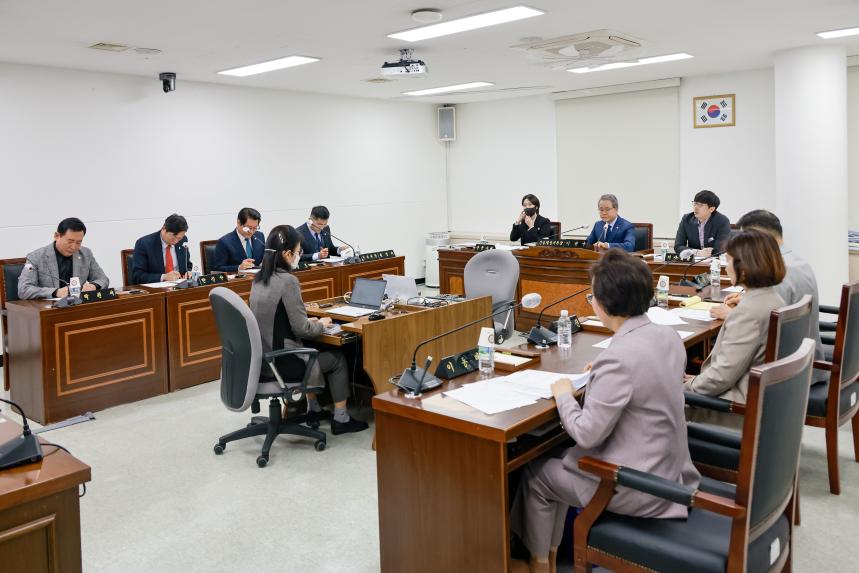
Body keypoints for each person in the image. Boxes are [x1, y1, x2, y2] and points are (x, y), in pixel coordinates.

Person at [510, 249, 699, 573]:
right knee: (556, 458)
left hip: (634, 484)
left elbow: (586, 433)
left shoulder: (619, 358)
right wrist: (603, 369)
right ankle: (550, 559)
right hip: (670, 469)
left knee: (536, 475)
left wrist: (564, 396)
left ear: (603, 303)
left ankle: (540, 564)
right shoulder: (667, 336)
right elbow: (645, 373)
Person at [249, 225, 368, 435]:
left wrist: (309, 320)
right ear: (287, 254)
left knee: (313, 347)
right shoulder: (288, 281)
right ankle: (341, 419)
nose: (299, 256)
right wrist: (321, 324)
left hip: (263, 359)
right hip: (284, 363)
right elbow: (302, 330)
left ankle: (314, 409)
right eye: (298, 252)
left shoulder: (259, 279)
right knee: (338, 358)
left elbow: (277, 319)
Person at [684, 229, 786, 429]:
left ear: (745, 268)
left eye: (728, 261)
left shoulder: (747, 313)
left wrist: (685, 387)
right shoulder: (775, 299)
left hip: (734, 408)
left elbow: (720, 379)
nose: (725, 267)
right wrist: (698, 379)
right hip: (757, 398)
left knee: (655, 403)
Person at [710, 210, 825, 364]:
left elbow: (766, 325)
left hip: (784, 364)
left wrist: (731, 314)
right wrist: (747, 300)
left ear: (760, 238)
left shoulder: (776, 269)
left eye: (747, 238)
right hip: (804, 357)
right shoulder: (797, 261)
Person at [18, 217, 109, 299]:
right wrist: (56, 292)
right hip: (50, 309)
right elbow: (24, 290)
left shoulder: (86, 254)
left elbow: (103, 279)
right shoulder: (36, 257)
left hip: (78, 306)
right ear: (57, 236)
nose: (73, 247)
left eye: (78, 242)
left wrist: (94, 285)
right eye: (70, 241)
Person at [132, 214, 193, 284]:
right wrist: (163, 277)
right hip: (156, 288)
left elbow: (187, 265)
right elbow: (138, 276)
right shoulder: (144, 244)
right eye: (173, 238)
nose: (176, 241)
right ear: (164, 229)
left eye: (179, 238)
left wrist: (188, 272)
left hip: (179, 286)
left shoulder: (183, 240)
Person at [673, 189, 732, 256]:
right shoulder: (687, 219)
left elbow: (720, 249)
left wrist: (707, 253)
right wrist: (697, 252)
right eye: (695, 203)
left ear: (711, 209)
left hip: (714, 260)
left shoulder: (722, 221)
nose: (695, 207)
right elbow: (678, 246)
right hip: (694, 260)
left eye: (700, 205)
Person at [212, 207, 265, 272]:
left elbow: (264, 258)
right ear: (238, 223)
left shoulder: (259, 236)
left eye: (255, 228)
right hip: (238, 277)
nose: (251, 232)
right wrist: (239, 267)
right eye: (248, 228)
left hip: (258, 277)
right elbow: (218, 268)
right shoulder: (224, 242)